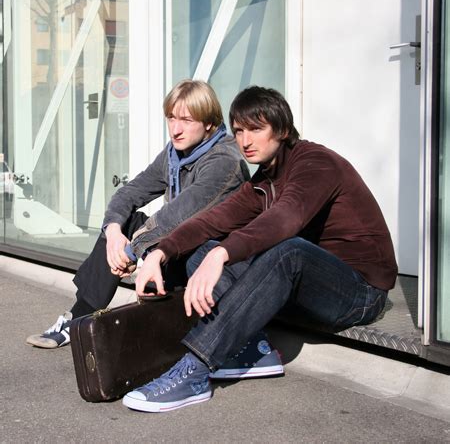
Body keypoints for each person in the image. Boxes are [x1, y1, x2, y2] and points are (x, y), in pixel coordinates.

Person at [121, 86, 398, 413]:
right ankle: (252, 349)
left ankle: (194, 371)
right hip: (307, 292)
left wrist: (221, 255)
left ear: (281, 130)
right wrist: (159, 252)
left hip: (359, 291)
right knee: (201, 248)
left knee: (288, 251)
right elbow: (212, 220)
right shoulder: (263, 181)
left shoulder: (316, 163)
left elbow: (286, 218)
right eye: (238, 131)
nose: (245, 141)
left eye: (256, 129)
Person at [26, 79, 251, 349]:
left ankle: (160, 326)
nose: (175, 129)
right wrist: (112, 233)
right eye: (171, 118)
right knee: (126, 222)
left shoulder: (224, 160)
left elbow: (179, 216)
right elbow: (130, 192)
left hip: (212, 261)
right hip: (177, 247)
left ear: (208, 123)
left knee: (162, 231)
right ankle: (79, 317)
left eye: (186, 120)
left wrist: (132, 251)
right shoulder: (175, 154)